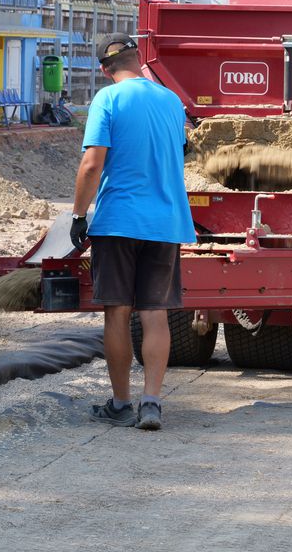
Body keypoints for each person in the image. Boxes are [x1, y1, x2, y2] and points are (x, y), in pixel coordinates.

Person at [69, 33, 195, 431]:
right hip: (165, 224)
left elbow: (92, 164)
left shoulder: (108, 99)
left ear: (106, 71)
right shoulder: (171, 101)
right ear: (139, 60)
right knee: (155, 313)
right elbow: (182, 149)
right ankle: (153, 402)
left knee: (117, 313)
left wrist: (77, 214)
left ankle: (121, 403)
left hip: (119, 221)